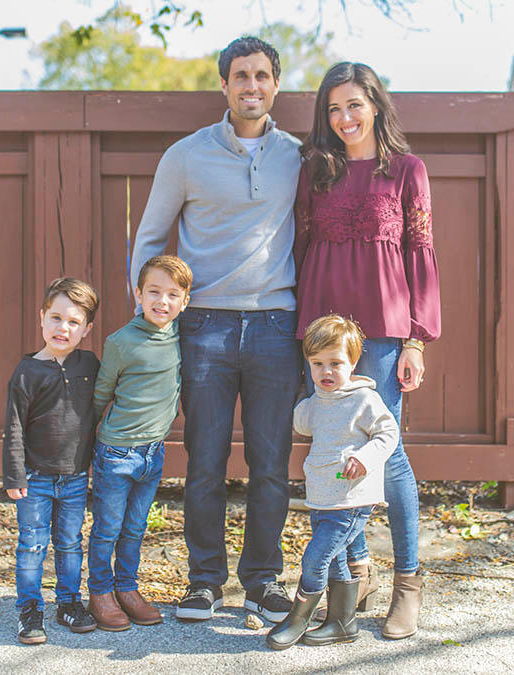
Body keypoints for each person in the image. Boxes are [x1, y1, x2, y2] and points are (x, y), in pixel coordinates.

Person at [129, 36, 304, 623]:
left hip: (277, 326)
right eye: (240, 76)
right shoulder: (186, 155)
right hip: (203, 326)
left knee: (271, 463)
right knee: (204, 461)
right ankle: (204, 582)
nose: (251, 85)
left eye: (261, 75)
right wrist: (149, 319)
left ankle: (262, 581)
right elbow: (152, 238)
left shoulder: (298, 157)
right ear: (224, 86)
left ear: (275, 84)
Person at [293, 61, 442, 640]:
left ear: (376, 104)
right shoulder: (317, 170)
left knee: (388, 452)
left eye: (354, 104)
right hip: (321, 332)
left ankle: (408, 580)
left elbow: (420, 254)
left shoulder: (407, 170)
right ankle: (358, 571)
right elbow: (301, 246)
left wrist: (415, 339)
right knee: (331, 444)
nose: (345, 117)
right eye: (333, 108)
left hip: (382, 329)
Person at [267, 315, 398, 650]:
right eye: (317, 364)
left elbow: (388, 434)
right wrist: (296, 392)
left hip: (351, 497)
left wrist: (365, 458)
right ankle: (342, 622)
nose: (326, 372)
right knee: (337, 557)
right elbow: (303, 424)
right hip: (322, 495)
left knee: (315, 558)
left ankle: (298, 617)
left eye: (336, 363)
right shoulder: (317, 401)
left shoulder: (364, 399)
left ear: (353, 362)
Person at [86, 255, 192, 631]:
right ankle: (100, 591)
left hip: (153, 454)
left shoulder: (182, 338)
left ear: (185, 302)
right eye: (154, 292)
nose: (162, 301)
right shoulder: (121, 342)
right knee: (108, 527)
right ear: (138, 294)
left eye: (172, 294)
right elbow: (101, 394)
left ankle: (127, 588)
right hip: (116, 451)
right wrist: (85, 447)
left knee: (135, 527)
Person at [1, 277, 101, 645]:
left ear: (86, 329)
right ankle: (30, 610)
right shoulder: (27, 372)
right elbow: (13, 428)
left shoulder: (89, 364)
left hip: (75, 475)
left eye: (74, 322)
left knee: (71, 542)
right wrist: (14, 476)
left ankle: (69, 603)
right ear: (41, 318)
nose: (63, 328)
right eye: (56, 318)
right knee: (32, 543)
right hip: (35, 476)